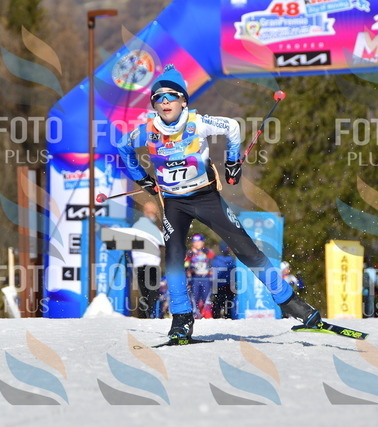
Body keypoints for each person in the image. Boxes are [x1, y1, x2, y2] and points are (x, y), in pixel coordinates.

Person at [117, 64, 321, 342]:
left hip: (206, 198)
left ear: (183, 101)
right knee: (174, 257)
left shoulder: (198, 123)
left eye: (171, 96)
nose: (164, 101)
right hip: (174, 203)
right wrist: (142, 179)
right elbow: (122, 146)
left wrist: (232, 163)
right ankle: (181, 319)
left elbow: (233, 127)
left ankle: (290, 302)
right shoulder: (147, 131)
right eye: (158, 98)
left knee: (247, 250)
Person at [131, 201, 164, 318]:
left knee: (143, 293)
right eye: (154, 213)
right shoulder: (151, 227)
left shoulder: (135, 226)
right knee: (153, 293)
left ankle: (143, 315)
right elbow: (163, 240)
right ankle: (149, 315)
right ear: (148, 212)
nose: (155, 216)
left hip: (139, 264)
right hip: (151, 264)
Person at [184, 234, 215, 319]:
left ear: (202, 242)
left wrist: (207, 253)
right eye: (195, 242)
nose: (197, 244)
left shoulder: (207, 251)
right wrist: (188, 268)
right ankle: (195, 315)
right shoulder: (190, 253)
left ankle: (207, 315)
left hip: (206, 278)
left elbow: (213, 259)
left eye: (199, 242)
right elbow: (185, 264)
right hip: (194, 278)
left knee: (206, 298)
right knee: (195, 298)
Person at [211, 241, 236, 319]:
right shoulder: (232, 260)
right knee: (229, 302)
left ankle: (217, 316)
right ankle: (228, 316)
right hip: (229, 285)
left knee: (217, 303)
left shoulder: (215, 260)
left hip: (218, 285)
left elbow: (213, 273)